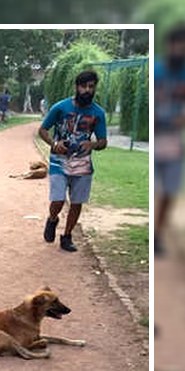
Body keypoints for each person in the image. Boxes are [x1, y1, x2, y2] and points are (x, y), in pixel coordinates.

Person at [38, 70, 108, 252]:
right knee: (58, 199)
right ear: (77, 87)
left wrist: (92, 145)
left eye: (91, 87)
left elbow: (103, 142)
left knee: (77, 203)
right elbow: (43, 130)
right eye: (83, 86)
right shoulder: (60, 107)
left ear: (94, 89)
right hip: (59, 162)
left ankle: (67, 236)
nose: (87, 90)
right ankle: (52, 219)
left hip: (83, 165)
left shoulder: (98, 113)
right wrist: (54, 143)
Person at [154, 22, 185, 257]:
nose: (179, 51)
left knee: (169, 192)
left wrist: (182, 120)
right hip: (154, 139)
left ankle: (157, 234)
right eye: (176, 45)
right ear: (169, 45)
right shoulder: (156, 72)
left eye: (184, 47)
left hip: (175, 142)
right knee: (152, 189)